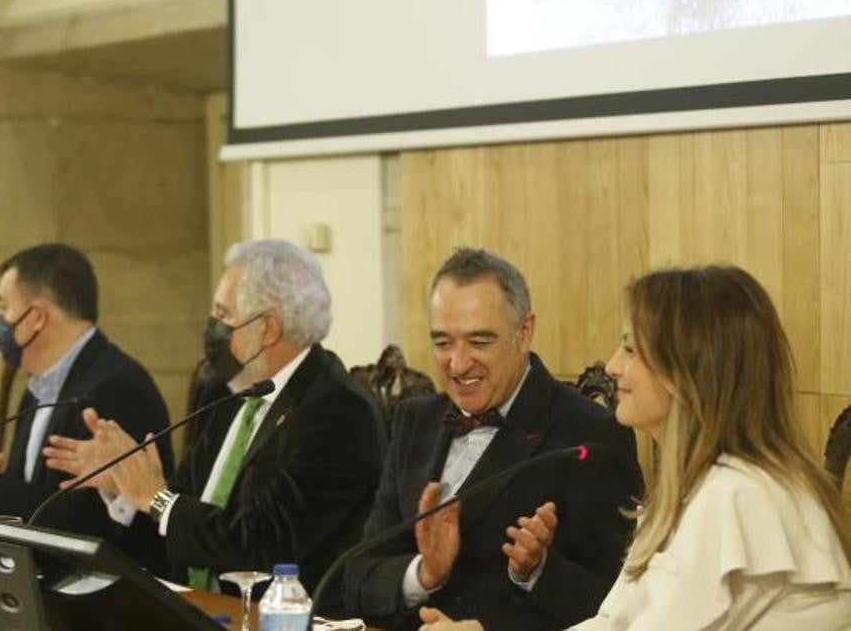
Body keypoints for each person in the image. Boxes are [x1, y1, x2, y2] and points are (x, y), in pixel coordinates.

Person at [418, 265, 851, 630]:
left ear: (689, 369)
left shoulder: (738, 495)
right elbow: (613, 621)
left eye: (630, 347)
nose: (612, 365)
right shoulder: (703, 487)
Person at [44, 239, 386, 597]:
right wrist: (125, 486)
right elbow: (181, 522)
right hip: (195, 609)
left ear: (268, 328)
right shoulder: (224, 394)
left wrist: (156, 498)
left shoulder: (339, 412)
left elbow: (266, 544)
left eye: (223, 315)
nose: (211, 326)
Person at [342, 248, 642, 630]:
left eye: (479, 342)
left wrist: (536, 570)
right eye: (443, 343)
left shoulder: (592, 434)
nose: (458, 363)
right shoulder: (415, 419)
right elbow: (355, 578)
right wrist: (424, 574)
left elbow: (618, 605)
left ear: (524, 332)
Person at [0, 243, 173, 574]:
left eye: (3, 308)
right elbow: (35, 498)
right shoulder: (40, 386)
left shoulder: (115, 388)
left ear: (37, 318)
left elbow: (85, 524)